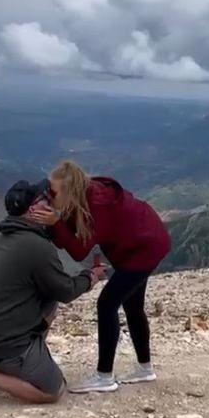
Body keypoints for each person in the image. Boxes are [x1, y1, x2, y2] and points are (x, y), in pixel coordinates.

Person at [0, 178, 107, 408]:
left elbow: (52, 290)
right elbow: (65, 290)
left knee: (49, 301)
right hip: (0, 343)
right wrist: (91, 277)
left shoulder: (11, 237)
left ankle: (31, 359)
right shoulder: (35, 246)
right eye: (44, 199)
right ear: (33, 210)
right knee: (53, 390)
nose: (50, 202)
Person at [27, 159, 171, 393]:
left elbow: (78, 250)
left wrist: (55, 223)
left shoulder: (98, 206)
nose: (50, 197)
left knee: (107, 304)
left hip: (144, 250)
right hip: (145, 243)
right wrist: (56, 222)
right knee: (133, 306)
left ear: (69, 191)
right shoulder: (85, 195)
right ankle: (145, 369)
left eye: (53, 193)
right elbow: (71, 236)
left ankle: (105, 376)